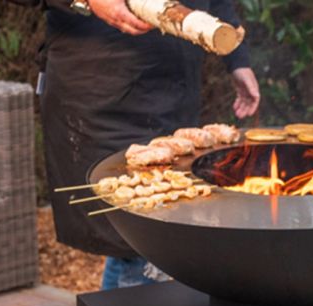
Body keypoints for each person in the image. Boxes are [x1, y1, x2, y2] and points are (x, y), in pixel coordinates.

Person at [38, 0, 260, 289]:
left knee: (153, 239)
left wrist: (236, 57)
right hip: (101, 90)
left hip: (173, 87)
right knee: (141, 239)